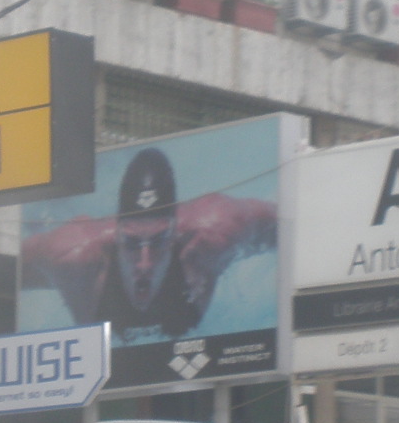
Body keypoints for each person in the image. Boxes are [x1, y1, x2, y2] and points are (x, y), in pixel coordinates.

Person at [20, 146, 277, 342]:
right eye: (132, 243)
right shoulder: (73, 256)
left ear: (175, 234)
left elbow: (292, 224)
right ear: (116, 236)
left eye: (158, 242)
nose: (145, 263)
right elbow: (6, 272)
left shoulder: (215, 233)